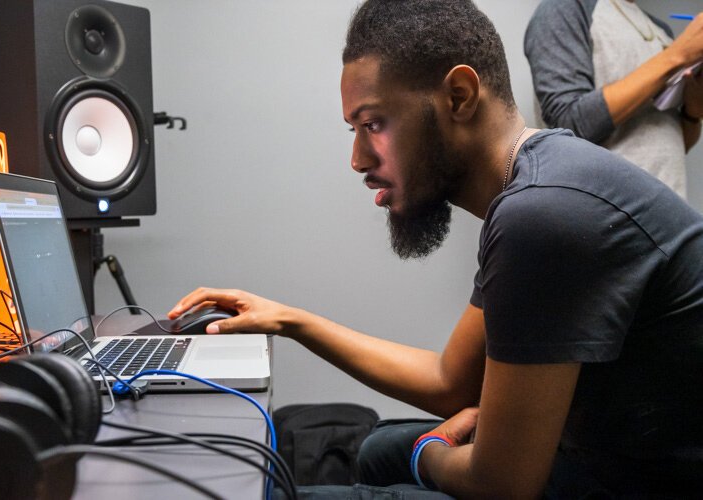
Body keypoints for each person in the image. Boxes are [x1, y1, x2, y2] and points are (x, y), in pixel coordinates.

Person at [170, 0, 703, 497]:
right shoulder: (540, 184)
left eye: (373, 124)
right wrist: (287, 320)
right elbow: (452, 381)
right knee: (379, 449)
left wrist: (428, 451)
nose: (357, 159)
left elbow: (503, 485)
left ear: (459, 96)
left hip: (640, 479)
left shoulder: (544, 215)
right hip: (605, 447)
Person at [524, 0, 703, 199]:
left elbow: (673, 143)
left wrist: (692, 111)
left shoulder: (661, 30)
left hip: (672, 208)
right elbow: (567, 124)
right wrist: (676, 55)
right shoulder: (564, 8)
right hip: (607, 215)